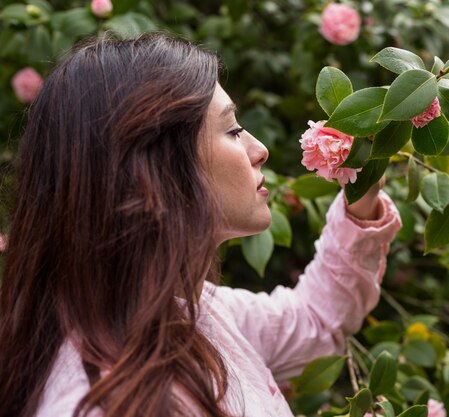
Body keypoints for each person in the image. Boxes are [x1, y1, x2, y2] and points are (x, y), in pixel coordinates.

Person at [0, 32, 401, 417]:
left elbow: (314, 320)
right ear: (151, 170)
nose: (259, 150)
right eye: (231, 130)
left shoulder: (195, 312)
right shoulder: (98, 403)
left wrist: (360, 198)